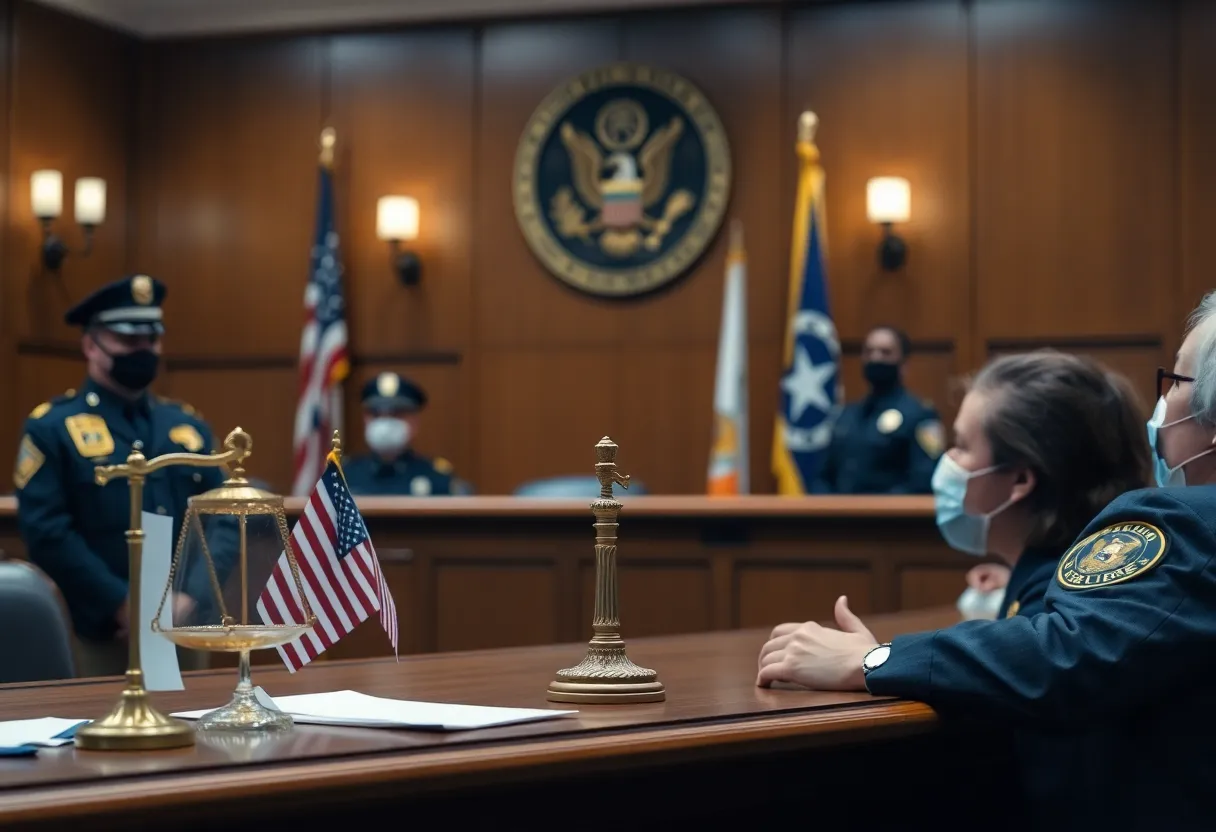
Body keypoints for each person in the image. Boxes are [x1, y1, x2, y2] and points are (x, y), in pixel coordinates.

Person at [755, 292, 1216, 828]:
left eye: (1177, 382)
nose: (1162, 404)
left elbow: (1066, 651)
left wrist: (873, 660)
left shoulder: (1183, 519)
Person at [14, 274, 230, 677]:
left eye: (152, 340)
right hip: (99, 634)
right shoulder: (53, 428)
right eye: (129, 341)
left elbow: (222, 518)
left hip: (184, 627)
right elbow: (47, 531)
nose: (143, 350)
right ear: (91, 345)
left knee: (195, 732)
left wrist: (193, 596)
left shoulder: (186, 426)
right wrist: (122, 602)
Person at [928, 351, 1151, 620]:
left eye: (962, 446)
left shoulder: (1047, 616)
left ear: (1020, 480)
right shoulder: (1066, 574)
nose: (949, 459)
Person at [813, 325, 942, 494]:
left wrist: (874, 509)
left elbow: (924, 479)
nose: (875, 358)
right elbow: (823, 476)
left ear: (903, 364)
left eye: (885, 352)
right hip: (840, 516)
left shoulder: (920, 416)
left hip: (890, 517)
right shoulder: (846, 415)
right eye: (869, 351)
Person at [343, 372, 471, 496]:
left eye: (397, 414)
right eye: (376, 414)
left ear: (414, 422)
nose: (385, 423)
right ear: (365, 419)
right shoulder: (344, 476)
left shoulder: (438, 477)